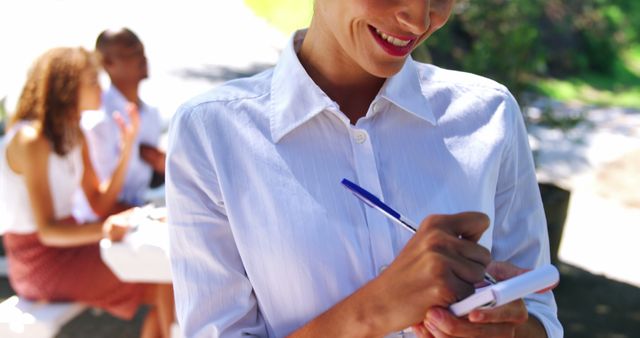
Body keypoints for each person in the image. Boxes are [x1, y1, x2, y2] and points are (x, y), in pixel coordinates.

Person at [166, 0, 562, 337]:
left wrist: (506, 328)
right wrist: (377, 309)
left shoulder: (490, 114)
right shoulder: (212, 133)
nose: (419, 20)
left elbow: (539, 312)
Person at [0, 47, 174, 338]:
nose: (102, 89)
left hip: (72, 246)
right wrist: (106, 229)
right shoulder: (32, 140)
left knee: (168, 278)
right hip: (39, 261)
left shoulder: (73, 132)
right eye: (93, 81)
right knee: (163, 280)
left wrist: (127, 146)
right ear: (68, 87)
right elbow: (47, 232)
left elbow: (98, 203)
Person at [74, 27, 165, 222]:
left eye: (142, 50)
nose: (142, 58)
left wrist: (162, 166)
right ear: (108, 63)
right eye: (132, 52)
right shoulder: (98, 119)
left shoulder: (151, 114)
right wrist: (148, 218)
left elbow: (143, 184)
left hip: (135, 218)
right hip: (100, 227)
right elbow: (100, 203)